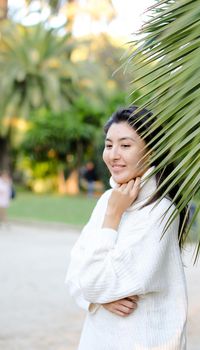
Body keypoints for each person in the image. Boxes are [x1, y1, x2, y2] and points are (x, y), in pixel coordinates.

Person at [65, 106, 188, 350]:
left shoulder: (160, 211)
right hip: (97, 339)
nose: (113, 154)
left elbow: (92, 282)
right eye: (109, 145)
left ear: (151, 151)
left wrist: (113, 216)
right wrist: (98, 299)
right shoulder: (108, 200)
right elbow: (74, 275)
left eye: (125, 145)